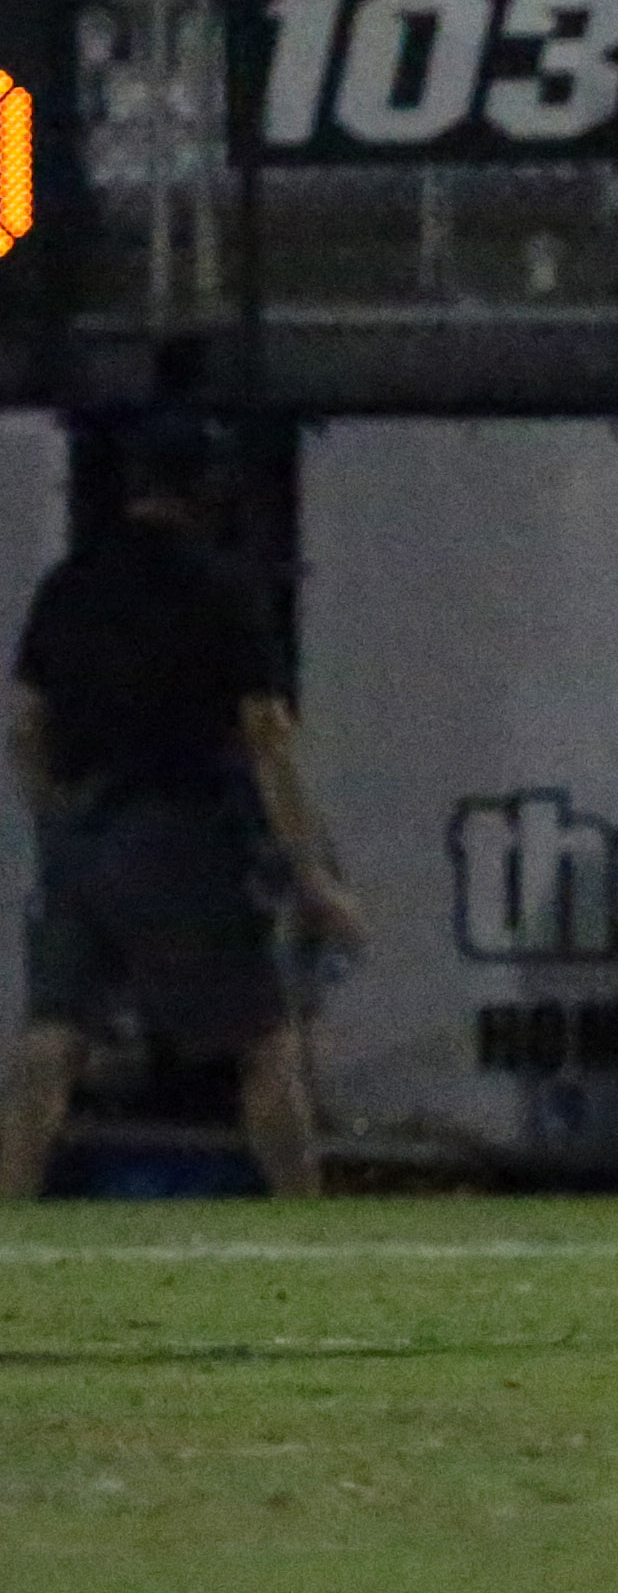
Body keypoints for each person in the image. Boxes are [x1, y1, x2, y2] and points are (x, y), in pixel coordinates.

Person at [0, 416, 363, 1201]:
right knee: (264, 1042)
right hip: (178, 832)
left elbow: (25, 725)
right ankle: (308, 1222)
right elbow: (266, 738)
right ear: (209, 489)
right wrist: (312, 876)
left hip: (81, 831)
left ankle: (10, 1216)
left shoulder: (70, 583)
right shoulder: (220, 588)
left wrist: (55, 820)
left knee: (52, 1037)